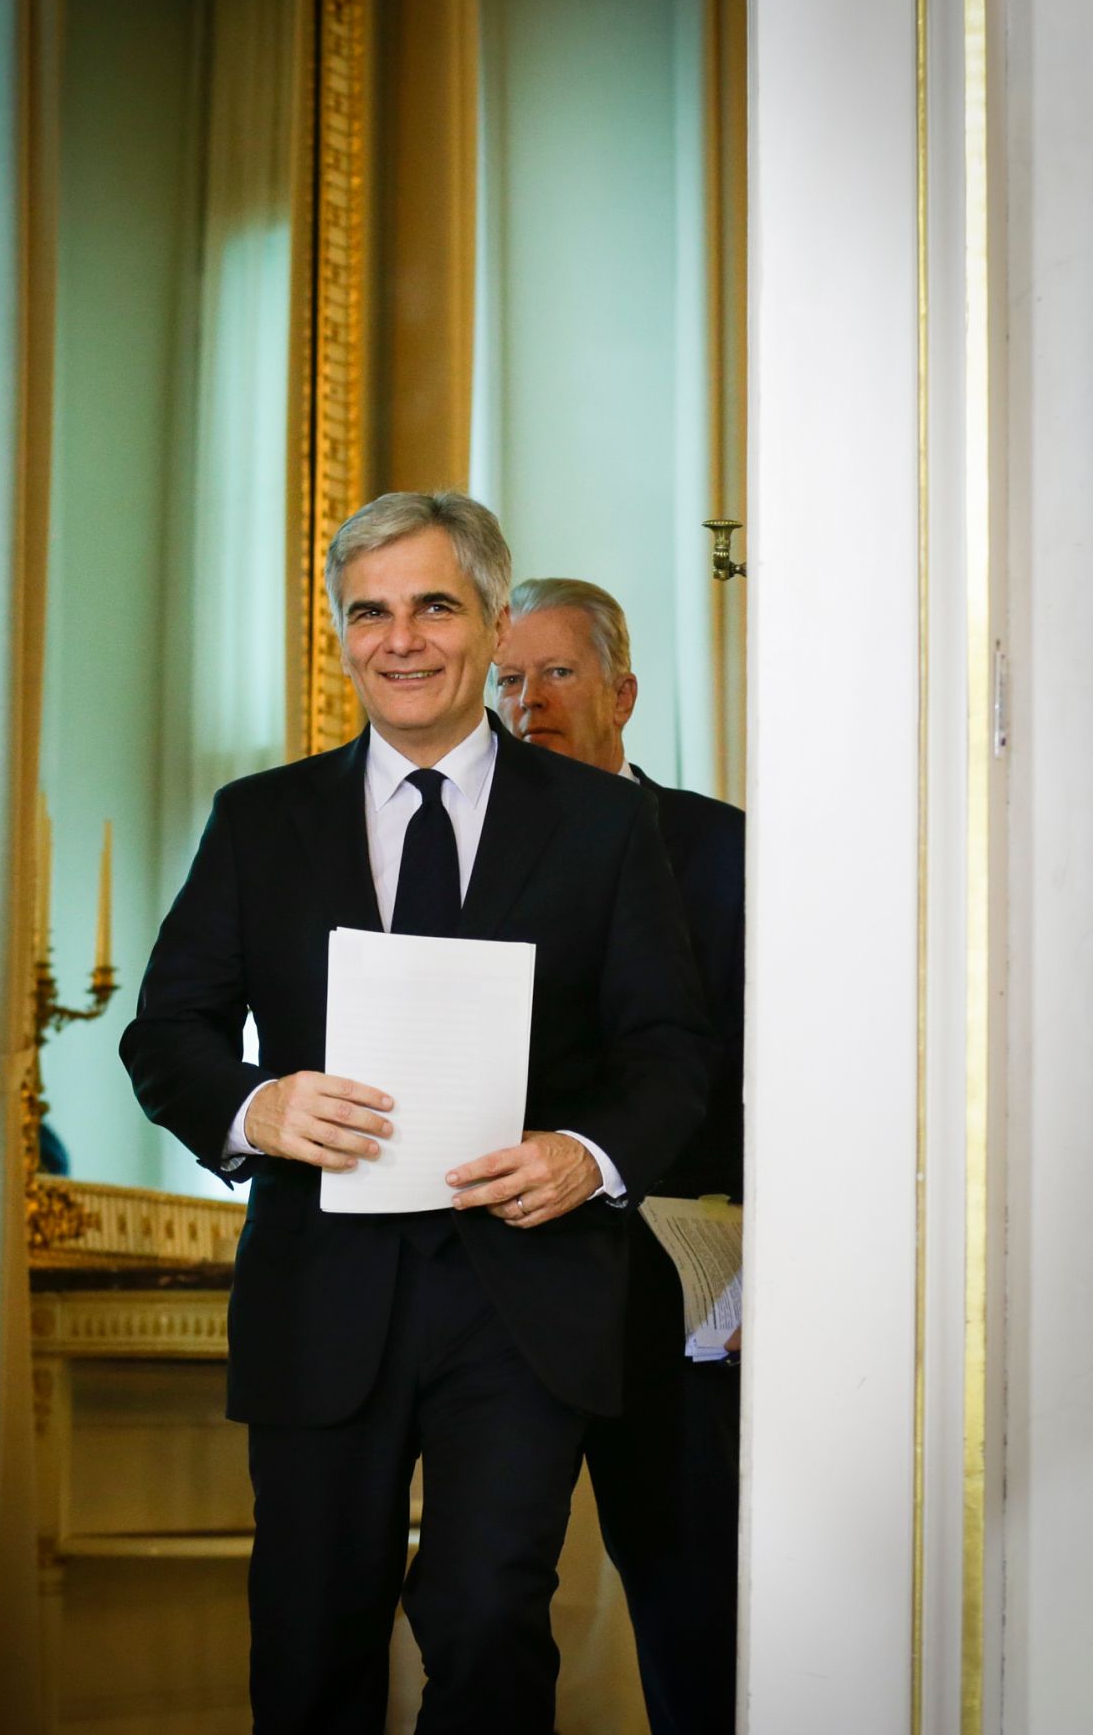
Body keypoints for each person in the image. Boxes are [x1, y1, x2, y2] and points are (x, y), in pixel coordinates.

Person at [120, 494, 713, 1735]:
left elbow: (670, 1049)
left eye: (433, 604)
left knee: (491, 1615)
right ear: (341, 634)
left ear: (491, 622)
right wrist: (257, 1105)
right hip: (320, 1281)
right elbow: (165, 1034)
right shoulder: (259, 818)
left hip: (527, 1288)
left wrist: (589, 1152)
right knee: (308, 1625)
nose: (400, 638)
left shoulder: (605, 823)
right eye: (368, 611)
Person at [493, 576, 745, 1735]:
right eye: (506, 678)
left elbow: (772, 1067)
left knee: (691, 1607)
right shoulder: (466, 857)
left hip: (678, 1293)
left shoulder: (720, 851)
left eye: (556, 672)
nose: (526, 700)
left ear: (622, 691)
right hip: (511, 1287)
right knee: (486, 1603)